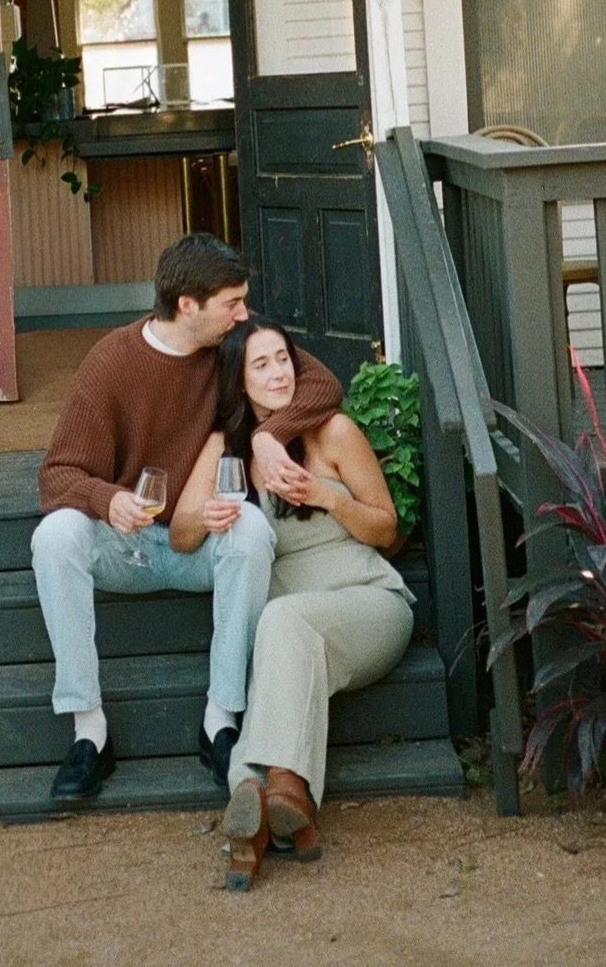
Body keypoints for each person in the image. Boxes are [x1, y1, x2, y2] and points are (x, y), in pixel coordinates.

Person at [31, 235, 344, 804]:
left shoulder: (230, 345)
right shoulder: (111, 362)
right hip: (125, 546)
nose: (244, 313)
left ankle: (220, 720)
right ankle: (88, 732)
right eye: (233, 302)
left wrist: (270, 433)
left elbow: (320, 381)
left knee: (250, 528)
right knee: (55, 534)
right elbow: (56, 476)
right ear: (187, 307)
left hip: (203, 542)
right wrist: (107, 500)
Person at [170, 317, 414, 891]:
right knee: (280, 625)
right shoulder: (223, 448)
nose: (278, 372)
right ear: (238, 381)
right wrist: (203, 518)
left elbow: (386, 529)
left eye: (283, 358)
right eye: (261, 364)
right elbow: (180, 535)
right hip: (289, 631)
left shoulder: (331, 432)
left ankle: (264, 794)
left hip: (365, 603)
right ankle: (272, 797)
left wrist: (325, 497)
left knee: (281, 620)